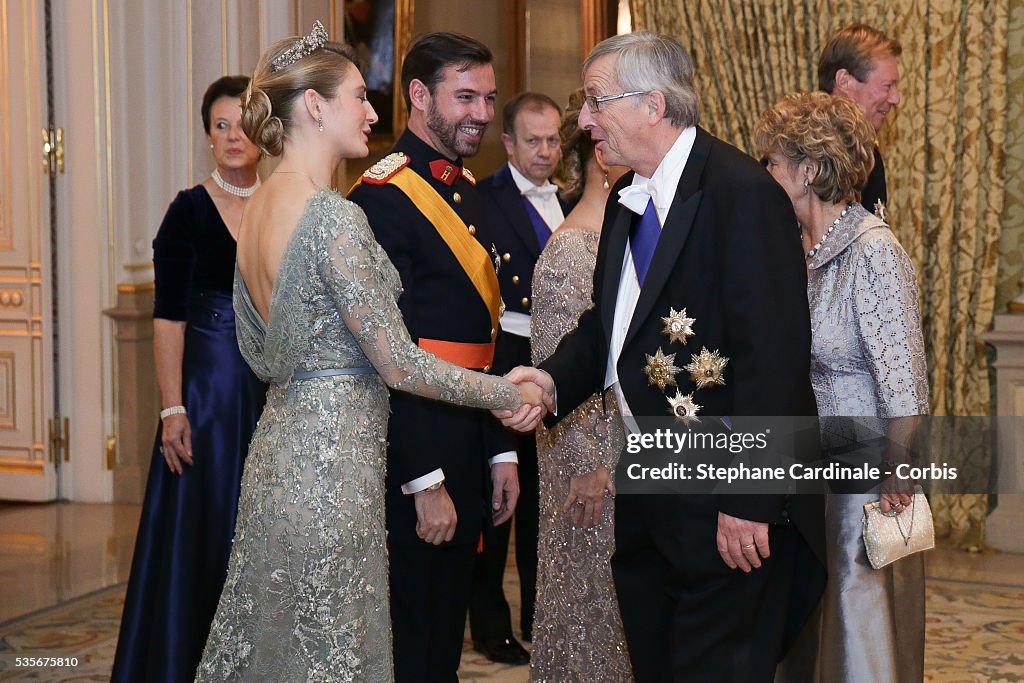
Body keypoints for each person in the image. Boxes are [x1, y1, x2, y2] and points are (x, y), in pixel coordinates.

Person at [192, 23, 543, 682]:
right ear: (316, 107)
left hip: (279, 457)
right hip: (335, 474)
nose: (374, 112)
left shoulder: (256, 207)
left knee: (285, 651)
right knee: (336, 654)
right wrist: (510, 392)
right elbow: (399, 363)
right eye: (359, 95)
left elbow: (260, 352)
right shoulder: (334, 216)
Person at [496, 32, 824, 682]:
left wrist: (750, 498)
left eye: (595, 101)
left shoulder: (741, 193)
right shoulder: (627, 199)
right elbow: (609, 328)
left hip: (724, 494)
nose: (583, 120)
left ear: (652, 104)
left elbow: (774, 355)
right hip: (648, 489)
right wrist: (552, 380)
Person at [347, 32, 526, 683]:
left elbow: (492, 328)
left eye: (488, 97)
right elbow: (384, 353)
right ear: (419, 96)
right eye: (465, 96)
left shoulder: (463, 185)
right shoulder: (380, 196)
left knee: (446, 631)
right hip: (415, 444)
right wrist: (424, 479)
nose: (481, 111)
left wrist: (500, 449)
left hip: (470, 430)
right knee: (414, 635)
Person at [756, 91, 929, 683]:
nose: (766, 176)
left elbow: (904, 383)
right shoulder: (795, 250)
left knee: (860, 635)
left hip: (862, 486)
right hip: (803, 476)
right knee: (806, 633)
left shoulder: (873, 251)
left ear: (807, 169)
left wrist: (898, 473)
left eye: (773, 163)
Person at [110, 75, 268, 683]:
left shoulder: (287, 205)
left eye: (243, 125)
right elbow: (168, 318)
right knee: (201, 532)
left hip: (271, 391)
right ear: (207, 136)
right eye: (221, 125)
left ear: (263, 134)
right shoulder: (188, 210)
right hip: (206, 398)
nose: (233, 136)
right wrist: (172, 408)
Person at [528, 88, 633, 683]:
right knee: (588, 619)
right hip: (587, 469)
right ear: (601, 157)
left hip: (624, 457)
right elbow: (559, 372)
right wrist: (594, 466)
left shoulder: (622, 238)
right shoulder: (572, 250)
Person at [468, 91, 569, 665]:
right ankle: (489, 624)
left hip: (559, 359)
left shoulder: (573, 199)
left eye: (554, 138)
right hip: (505, 353)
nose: (547, 151)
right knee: (500, 497)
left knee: (544, 499)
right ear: (507, 142)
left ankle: (541, 615)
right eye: (533, 140)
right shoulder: (482, 199)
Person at [818, 23, 902, 216]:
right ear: (844, 81)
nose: (896, 99)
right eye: (887, 86)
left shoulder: (868, 154)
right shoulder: (799, 155)